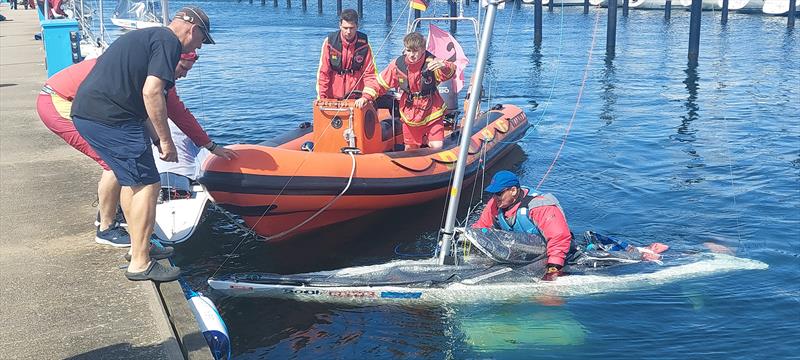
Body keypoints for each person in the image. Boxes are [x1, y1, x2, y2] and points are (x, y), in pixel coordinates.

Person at [70, 6, 215, 282]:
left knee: (132, 181)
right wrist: (165, 139)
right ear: (192, 29)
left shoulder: (150, 37)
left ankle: (140, 246)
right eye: (202, 40)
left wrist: (154, 138)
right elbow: (152, 93)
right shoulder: (169, 42)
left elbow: (141, 99)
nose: (200, 46)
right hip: (110, 117)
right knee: (148, 184)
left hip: (94, 114)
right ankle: (140, 263)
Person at [472, 171, 572, 281]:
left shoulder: (540, 207)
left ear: (513, 191)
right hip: (519, 252)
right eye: (493, 193)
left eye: (498, 193)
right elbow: (481, 227)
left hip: (545, 253)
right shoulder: (496, 203)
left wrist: (554, 267)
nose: (495, 197)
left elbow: (559, 237)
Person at [362, 32, 456, 150]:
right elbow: (380, 83)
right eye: (409, 50)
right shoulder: (398, 65)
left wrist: (443, 65)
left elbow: (449, 72)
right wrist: (366, 97)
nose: (412, 55)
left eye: (415, 51)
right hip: (410, 113)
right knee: (410, 148)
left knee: (437, 146)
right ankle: (421, 144)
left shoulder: (432, 63)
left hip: (431, 110)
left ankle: (427, 141)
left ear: (423, 49)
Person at [316, 8, 379, 108]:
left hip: (357, 101)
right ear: (340, 25)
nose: (348, 32)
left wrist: (365, 97)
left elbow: (370, 74)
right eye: (345, 28)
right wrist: (322, 98)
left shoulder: (364, 45)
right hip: (333, 99)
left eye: (352, 28)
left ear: (357, 26)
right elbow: (323, 73)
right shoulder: (329, 43)